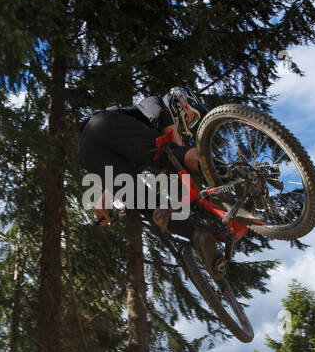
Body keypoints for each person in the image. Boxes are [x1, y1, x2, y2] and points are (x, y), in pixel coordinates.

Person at [78, 87, 230, 276]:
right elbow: (170, 139)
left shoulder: (140, 147)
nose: (187, 125)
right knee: (174, 154)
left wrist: (102, 202)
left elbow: (123, 179)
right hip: (103, 124)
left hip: (89, 154)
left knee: (149, 206)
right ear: (180, 103)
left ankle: (198, 236)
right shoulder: (154, 103)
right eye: (191, 117)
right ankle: (231, 172)